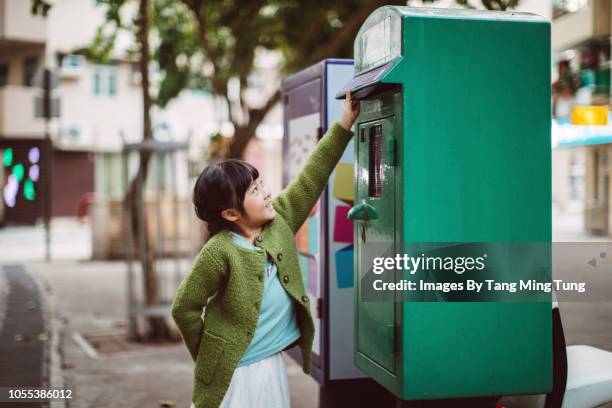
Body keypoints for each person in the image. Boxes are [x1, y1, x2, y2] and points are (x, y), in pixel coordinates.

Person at [172, 91, 360, 408]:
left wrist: (344, 122)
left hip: (269, 364)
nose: (267, 193)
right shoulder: (219, 252)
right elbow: (184, 308)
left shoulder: (279, 222)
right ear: (230, 214)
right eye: (255, 191)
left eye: (261, 185)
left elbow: (311, 177)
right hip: (234, 372)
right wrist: (208, 354)